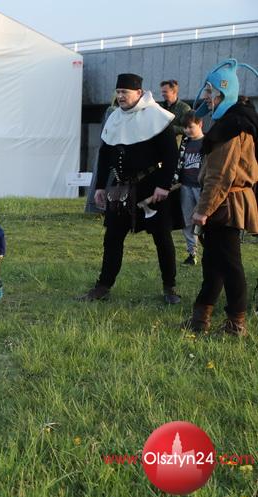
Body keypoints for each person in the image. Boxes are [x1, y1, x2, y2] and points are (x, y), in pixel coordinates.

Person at [79, 73, 182, 304]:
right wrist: (100, 187)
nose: (120, 96)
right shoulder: (115, 117)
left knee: (162, 238)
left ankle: (170, 288)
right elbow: (105, 155)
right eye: (118, 92)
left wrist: (163, 185)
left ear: (138, 93)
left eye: (124, 92)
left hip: (152, 188)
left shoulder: (157, 116)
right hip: (121, 188)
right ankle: (103, 287)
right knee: (112, 238)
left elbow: (171, 155)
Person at [181, 59, 258, 337]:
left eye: (210, 91)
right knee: (212, 263)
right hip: (222, 200)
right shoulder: (229, 122)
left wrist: (202, 210)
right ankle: (200, 318)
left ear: (223, 93)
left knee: (229, 264)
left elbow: (220, 176)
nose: (205, 96)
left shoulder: (232, 127)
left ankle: (236, 324)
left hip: (226, 203)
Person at [177, 111, 205, 265]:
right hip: (186, 186)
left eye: (190, 127)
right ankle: (192, 253)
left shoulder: (207, 142)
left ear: (200, 124)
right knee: (187, 221)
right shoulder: (184, 142)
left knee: (204, 220)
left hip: (202, 188)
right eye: (185, 127)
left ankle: (209, 250)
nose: (187, 130)